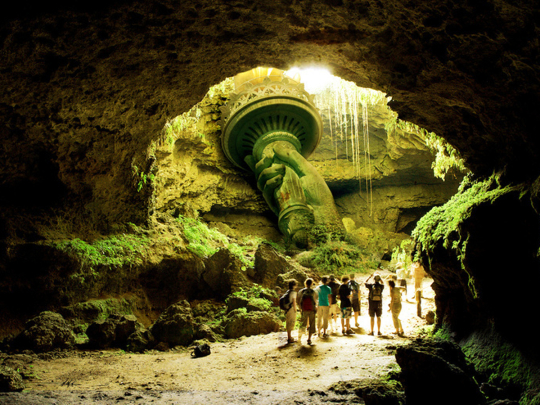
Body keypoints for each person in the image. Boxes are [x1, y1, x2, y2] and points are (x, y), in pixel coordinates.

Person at [297, 278, 318, 345]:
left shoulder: (301, 291)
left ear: (305, 283)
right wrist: (315, 308)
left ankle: (299, 339)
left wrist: (300, 308)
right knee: (312, 324)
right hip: (311, 309)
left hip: (304, 309)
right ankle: (309, 339)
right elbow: (315, 301)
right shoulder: (313, 291)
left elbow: (298, 300)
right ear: (311, 283)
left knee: (303, 324)